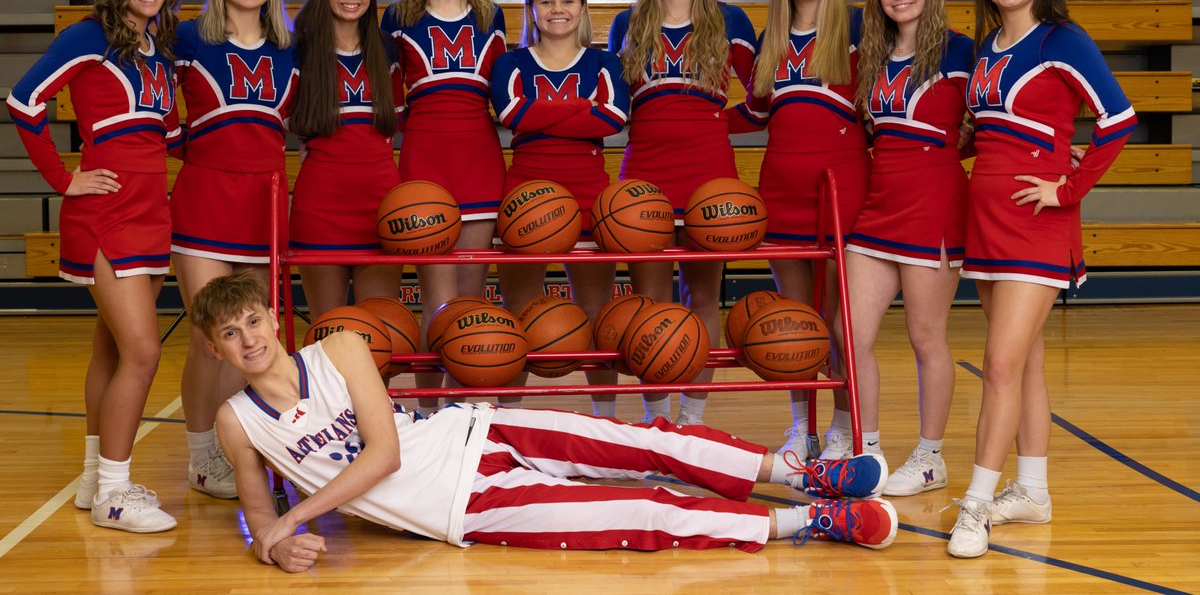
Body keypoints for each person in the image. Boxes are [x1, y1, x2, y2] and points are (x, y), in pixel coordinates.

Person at [190, 272, 898, 570]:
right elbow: (262, 522)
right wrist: (273, 547)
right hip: (462, 506)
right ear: (214, 345)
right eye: (229, 333)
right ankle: (805, 524)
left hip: (475, 432)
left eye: (253, 320)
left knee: (644, 442)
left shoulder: (338, 348)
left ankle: (800, 473)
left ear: (272, 317)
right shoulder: (237, 422)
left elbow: (382, 457)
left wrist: (295, 520)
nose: (248, 339)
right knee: (644, 510)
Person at [947, 0, 1136, 558]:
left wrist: (1068, 187)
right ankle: (1031, 490)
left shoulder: (1064, 39)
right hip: (986, 219)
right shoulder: (987, 48)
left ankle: (976, 502)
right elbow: (995, 132)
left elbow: (1118, 119)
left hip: (1036, 222)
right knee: (1022, 362)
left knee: (998, 364)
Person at [6, 0, 182, 532]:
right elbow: (24, 100)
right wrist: (63, 178)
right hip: (106, 212)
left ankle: (92, 479)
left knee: (111, 348)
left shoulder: (160, 46)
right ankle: (114, 491)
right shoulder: (88, 37)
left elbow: (168, 132)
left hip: (150, 210)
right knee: (144, 350)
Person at [729, 0, 869, 462]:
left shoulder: (858, 29)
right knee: (793, 321)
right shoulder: (772, 37)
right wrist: (692, 123)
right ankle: (799, 428)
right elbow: (757, 112)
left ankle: (839, 426)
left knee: (835, 319)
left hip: (839, 189)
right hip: (781, 189)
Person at [608, 0, 756, 426]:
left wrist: (718, 121)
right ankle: (657, 420)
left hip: (710, 172)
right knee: (649, 301)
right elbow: (616, 105)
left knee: (702, 296)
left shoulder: (731, 20)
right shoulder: (627, 22)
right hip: (644, 172)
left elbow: (762, 98)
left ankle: (692, 420)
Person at [841, 0, 974, 496]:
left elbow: (989, 119)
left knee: (926, 338)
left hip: (935, 207)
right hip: (877, 208)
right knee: (849, 335)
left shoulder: (962, 49)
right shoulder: (870, 54)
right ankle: (867, 449)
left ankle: (929, 457)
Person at [171, 0, 297, 499]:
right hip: (203, 200)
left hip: (264, 207)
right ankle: (204, 458)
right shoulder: (187, 38)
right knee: (211, 340)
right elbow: (150, 105)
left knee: (253, 341)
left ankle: (246, 451)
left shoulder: (289, 48)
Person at [381, 0, 506, 415]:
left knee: (471, 298)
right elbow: (390, 101)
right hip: (424, 162)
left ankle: (468, 414)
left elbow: (500, 94)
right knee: (435, 297)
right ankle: (432, 414)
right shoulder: (398, 17)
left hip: (479, 155)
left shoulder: (490, 14)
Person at [490, 0, 631, 415]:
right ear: (531, 9)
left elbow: (613, 119)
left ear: (583, 8)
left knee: (596, 314)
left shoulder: (605, 62)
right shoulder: (511, 63)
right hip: (524, 194)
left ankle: (604, 420)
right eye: (546, 1)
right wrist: (579, 108)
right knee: (519, 317)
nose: (557, 10)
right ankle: (512, 423)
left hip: (590, 194)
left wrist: (543, 111)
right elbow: (511, 113)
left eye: (567, 1)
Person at [289, 0, 403, 316]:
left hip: (382, 205)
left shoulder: (388, 49)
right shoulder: (299, 49)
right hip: (321, 206)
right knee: (327, 330)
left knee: (381, 334)